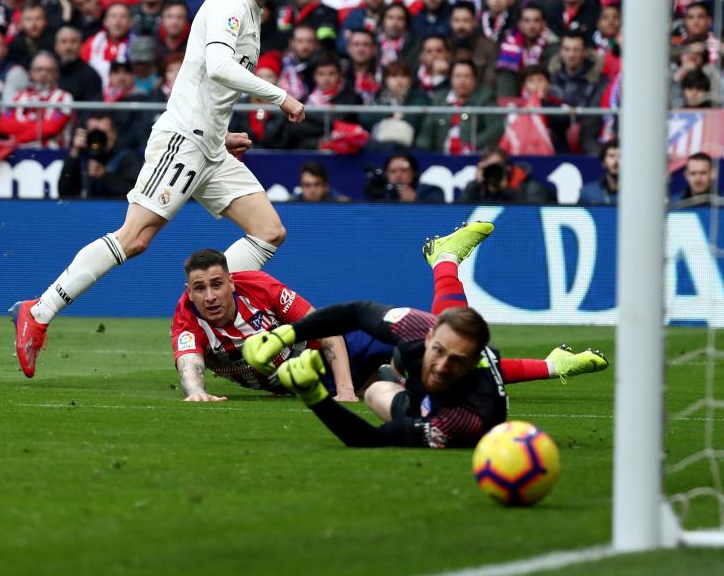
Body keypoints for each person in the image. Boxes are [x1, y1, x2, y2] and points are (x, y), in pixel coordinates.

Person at [10, 0, 307, 379]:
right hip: (184, 139)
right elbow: (218, 66)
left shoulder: (251, 10)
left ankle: (205, 308)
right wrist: (280, 96)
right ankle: (40, 310)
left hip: (209, 143)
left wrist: (222, 135)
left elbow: (206, 85)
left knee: (269, 231)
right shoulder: (229, 4)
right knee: (135, 238)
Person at [243, 222, 608, 448]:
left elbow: (367, 440)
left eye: (457, 360)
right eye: (438, 350)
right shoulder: (421, 330)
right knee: (387, 378)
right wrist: (284, 336)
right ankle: (446, 259)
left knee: (379, 389)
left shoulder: (461, 422)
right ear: (429, 336)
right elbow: (355, 312)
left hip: (434, 407)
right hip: (424, 370)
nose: (441, 365)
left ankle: (550, 363)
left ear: (472, 364)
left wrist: (315, 396)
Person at [171, 248, 381, 402]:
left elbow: (325, 327)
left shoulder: (259, 287)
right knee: (376, 391)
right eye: (199, 288)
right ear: (188, 291)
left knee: (397, 337)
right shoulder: (187, 319)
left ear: (231, 283)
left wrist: (345, 390)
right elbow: (189, 365)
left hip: (334, 348)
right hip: (302, 380)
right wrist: (196, 392)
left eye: (217, 285)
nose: (210, 297)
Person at [0, 52, 75, 149]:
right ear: (31, 72)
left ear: (56, 74)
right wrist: (36, 126)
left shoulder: (64, 97)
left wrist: (18, 138)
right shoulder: (19, 96)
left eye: (49, 70)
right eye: (39, 69)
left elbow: (51, 128)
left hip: (52, 153)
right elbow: (4, 125)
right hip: (19, 153)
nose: (43, 73)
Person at [58, 114, 144, 199]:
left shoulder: (127, 157)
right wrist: (74, 153)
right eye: (93, 134)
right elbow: (63, 193)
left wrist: (104, 175)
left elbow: (135, 194)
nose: (97, 140)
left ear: (114, 134)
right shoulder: (82, 157)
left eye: (102, 134)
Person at [460, 146, 554, 204]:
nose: (493, 171)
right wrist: (475, 185)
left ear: (507, 167)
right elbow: (460, 214)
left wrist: (505, 190)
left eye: (496, 167)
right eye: (489, 167)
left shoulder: (531, 189)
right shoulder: (478, 188)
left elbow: (531, 218)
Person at [365, 152, 445, 203]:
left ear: (414, 172)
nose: (398, 175)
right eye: (393, 171)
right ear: (386, 174)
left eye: (404, 170)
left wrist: (415, 200)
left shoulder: (430, 191)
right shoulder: (380, 194)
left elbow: (438, 216)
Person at [578, 138, 619, 205]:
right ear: (603, 162)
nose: (616, 161)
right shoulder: (587, 193)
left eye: (620, 156)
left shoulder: (637, 194)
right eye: (611, 156)